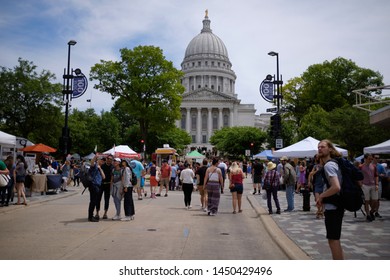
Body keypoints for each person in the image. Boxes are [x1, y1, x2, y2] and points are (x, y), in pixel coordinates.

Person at [316, 139, 344, 260]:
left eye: (322, 147)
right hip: (336, 205)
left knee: (333, 240)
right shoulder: (333, 164)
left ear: (330, 149)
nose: (320, 149)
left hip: (334, 207)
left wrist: (321, 196)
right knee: (335, 239)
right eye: (319, 147)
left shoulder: (329, 165)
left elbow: (336, 187)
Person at [360, 153, 379, 222]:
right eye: (369, 159)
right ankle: (368, 214)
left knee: (375, 200)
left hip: (373, 184)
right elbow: (358, 176)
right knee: (366, 201)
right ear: (365, 159)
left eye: (371, 159)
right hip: (365, 185)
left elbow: (376, 175)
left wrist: (377, 184)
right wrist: (360, 184)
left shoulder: (374, 166)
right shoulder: (361, 166)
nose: (371, 160)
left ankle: (371, 211)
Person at [96, 155, 114, 220]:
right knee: (98, 199)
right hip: (101, 184)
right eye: (108, 158)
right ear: (106, 159)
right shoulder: (102, 166)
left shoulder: (113, 167)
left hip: (108, 185)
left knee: (107, 199)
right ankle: (97, 213)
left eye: (111, 159)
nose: (109, 160)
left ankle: (105, 213)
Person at [88, 156, 105, 222]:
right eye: (101, 160)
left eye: (103, 161)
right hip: (93, 185)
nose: (102, 161)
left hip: (97, 186)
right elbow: (92, 162)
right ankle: (90, 216)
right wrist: (95, 157)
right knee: (93, 201)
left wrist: (100, 169)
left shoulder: (99, 168)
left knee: (94, 201)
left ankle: (91, 216)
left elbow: (103, 177)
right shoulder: (94, 166)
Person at [308, 155, 325, 219]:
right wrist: (316, 171)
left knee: (323, 200)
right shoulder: (316, 166)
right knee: (318, 200)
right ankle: (319, 210)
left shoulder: (325, 165)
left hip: (324, 185)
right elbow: (310, 174)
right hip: (317, 185)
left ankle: (321, 211)